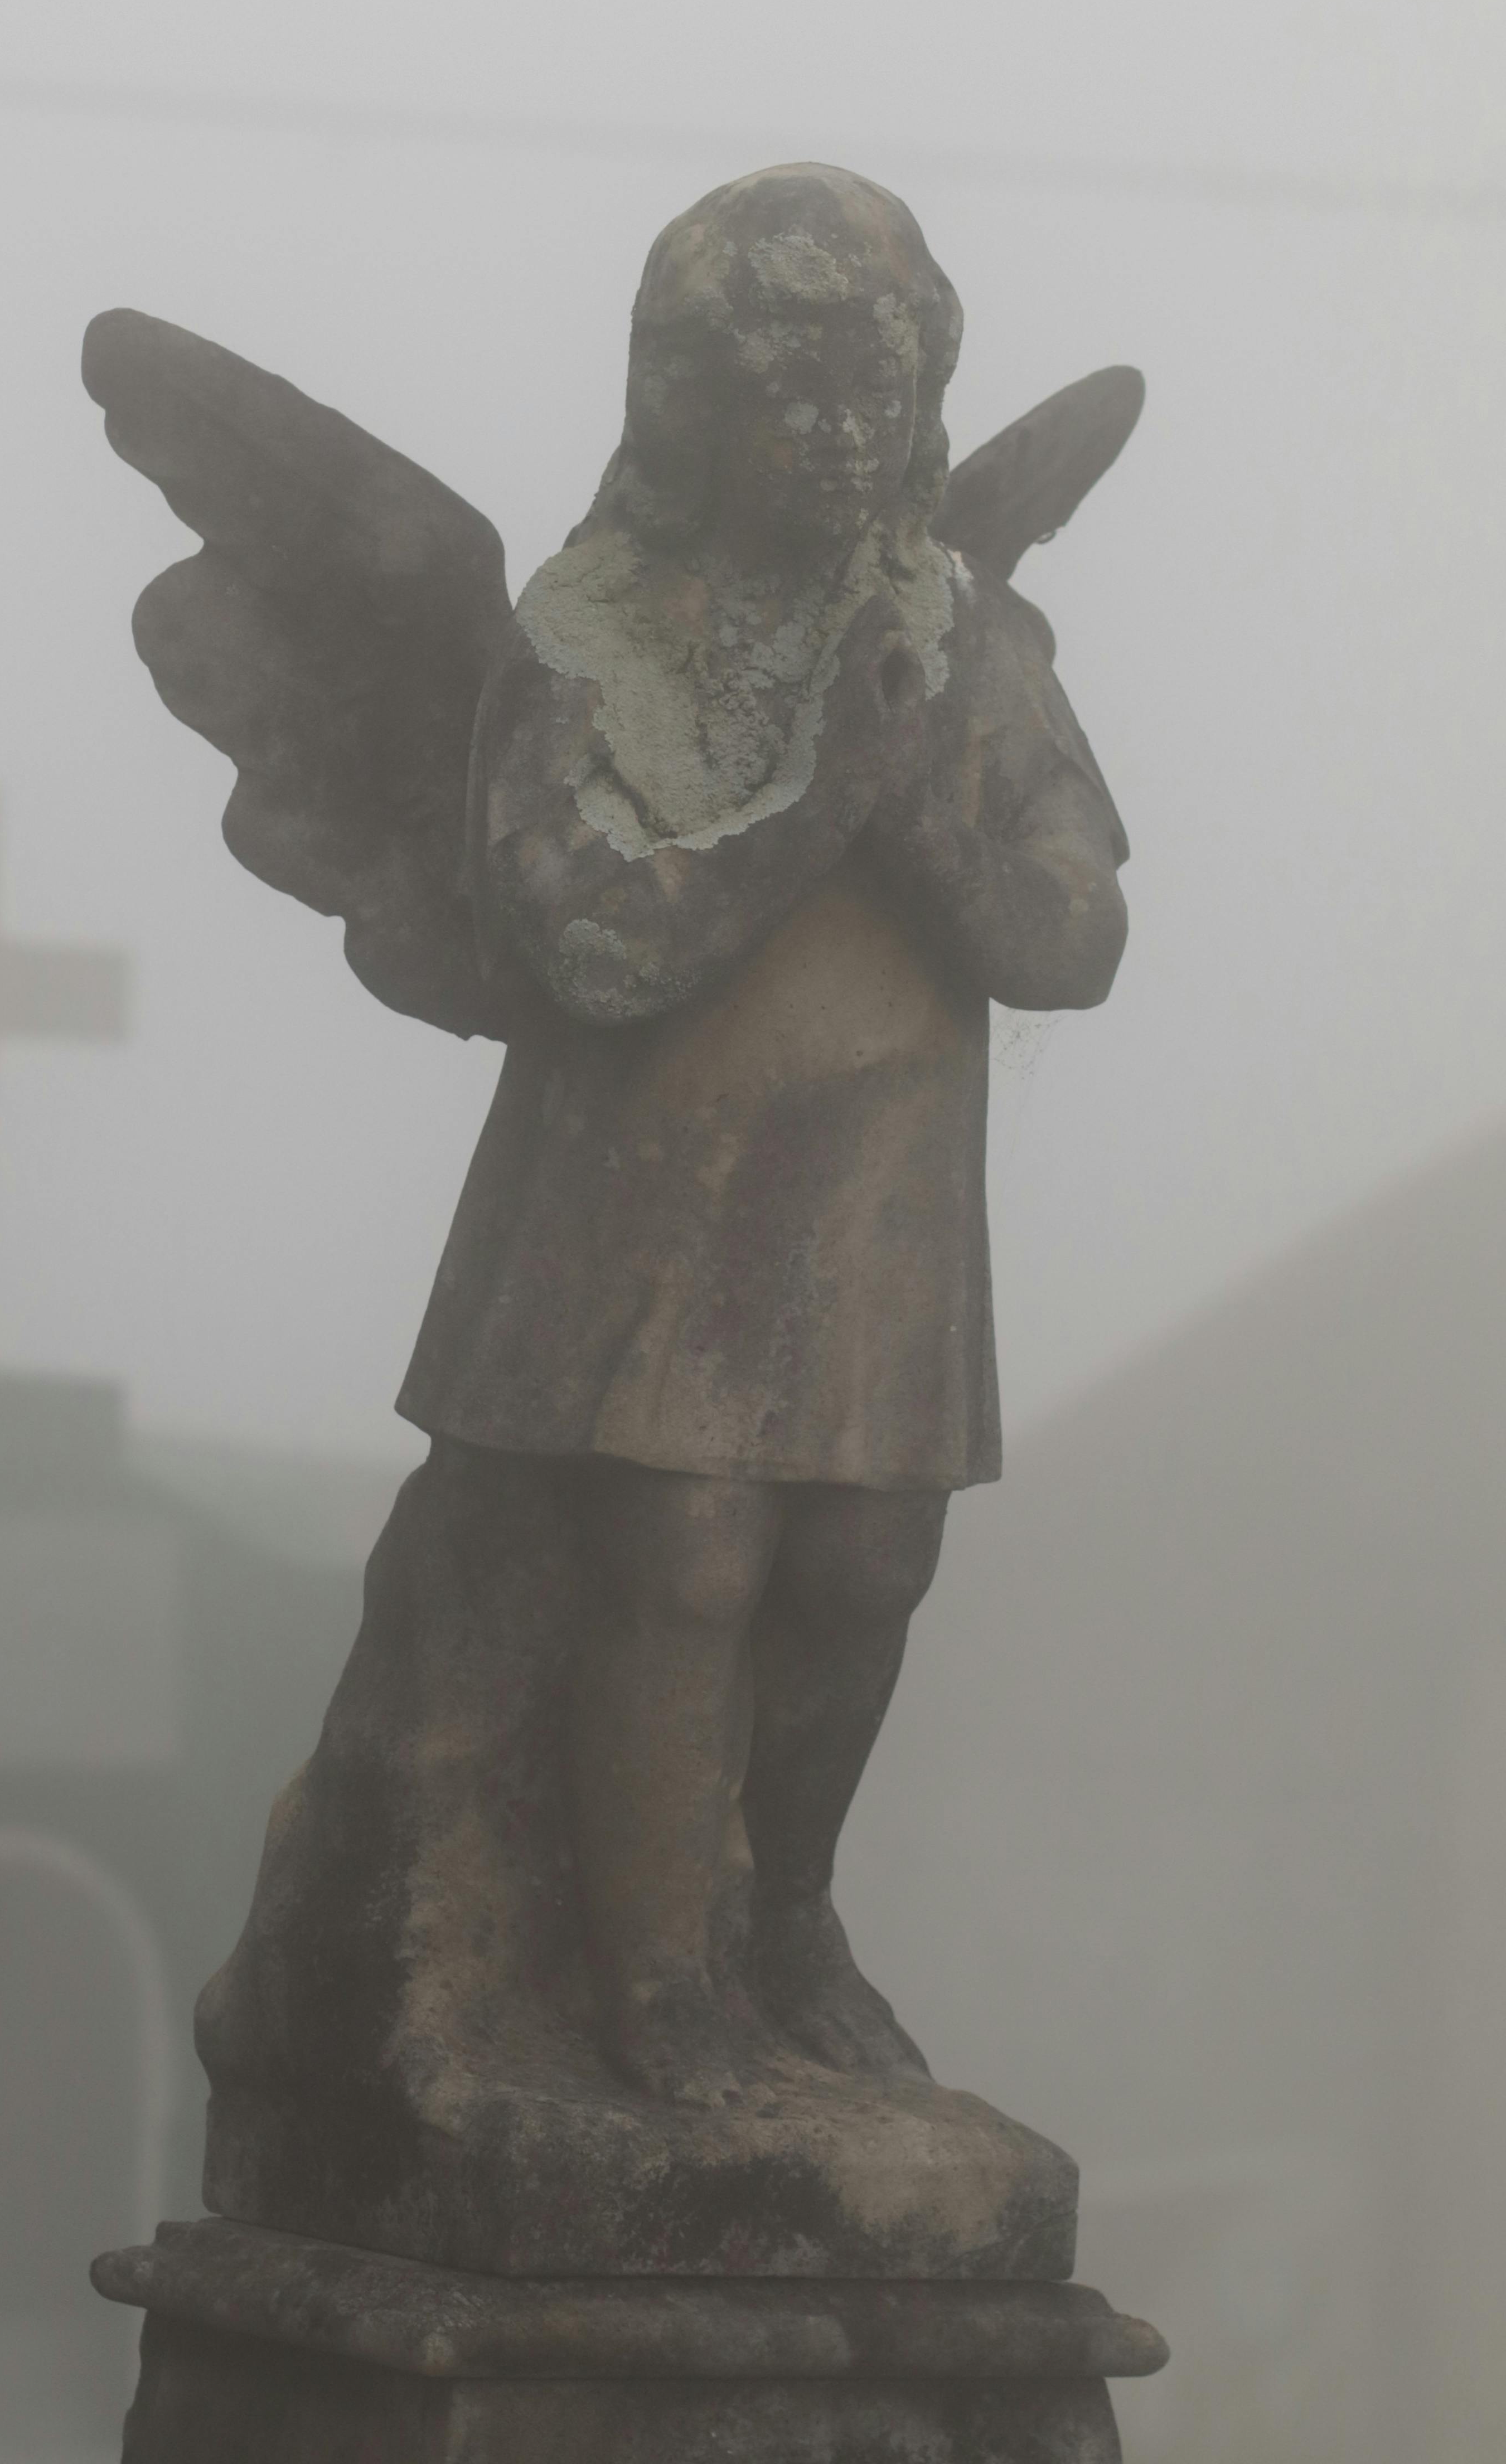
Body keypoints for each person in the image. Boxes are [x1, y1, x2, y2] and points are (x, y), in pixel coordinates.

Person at [396, 164, 1130, 2105]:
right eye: (792, 386)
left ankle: (785, 1915)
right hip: (651, 1201)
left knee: (869, 1569)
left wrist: (931, 830)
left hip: (876, 1197)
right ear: (691, 405)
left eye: (874, 387)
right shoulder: (586, 639)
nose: (839, 432)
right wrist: (831, 803)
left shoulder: (968, 640)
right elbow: (588, 940)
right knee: (694, 1558)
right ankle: (657, 1994)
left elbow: (1080, 933)